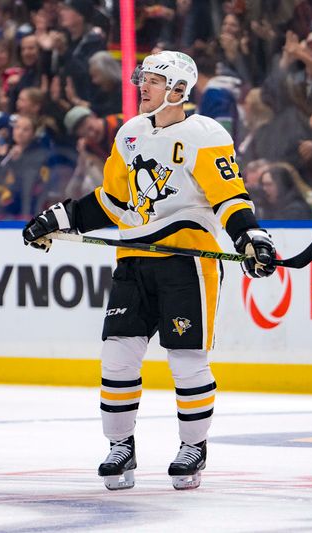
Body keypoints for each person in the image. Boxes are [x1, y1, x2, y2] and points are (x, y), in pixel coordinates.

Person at [22, 50, 277, 491]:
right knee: (117, 357)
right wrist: (60, 217)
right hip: (133, 259)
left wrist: (249, 236)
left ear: (179, 90)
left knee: (187, 360)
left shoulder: (204, 134)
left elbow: (229, 197)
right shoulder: (131, 133)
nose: (143, 86)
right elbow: (112, 201)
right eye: (144, 78)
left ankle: (193, 447)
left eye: (155, 81)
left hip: (187, 264)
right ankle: (121, 446)